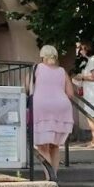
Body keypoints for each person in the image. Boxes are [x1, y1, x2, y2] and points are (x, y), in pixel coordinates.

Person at [32, 45, 74, 174]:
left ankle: (49, 177)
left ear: (42, 57)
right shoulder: (62, 71)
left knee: (42, 145)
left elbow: (27, 88)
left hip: (42, 108)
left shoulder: (36, 68)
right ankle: (54, 175)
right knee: (55, 146)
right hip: (61, 108)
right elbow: (70, 93)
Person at [74, 41, 94, 147]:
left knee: (93, 116)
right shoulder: (91, 61)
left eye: (82, 49)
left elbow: (93, 76)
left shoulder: (93, 61)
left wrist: (81, 77)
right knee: (90, 116)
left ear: (87, 49)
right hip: (90, 92)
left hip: (93, 93)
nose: (80, 51)